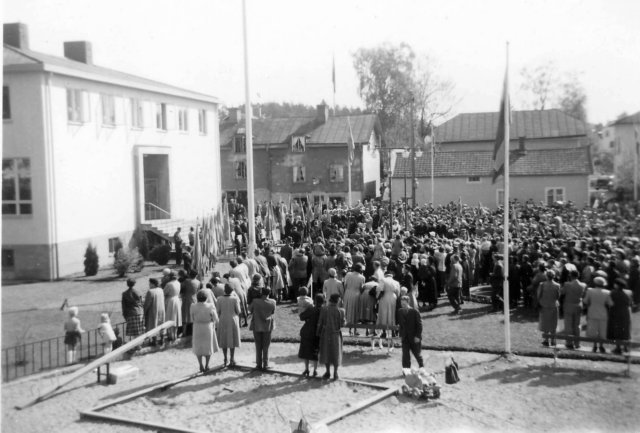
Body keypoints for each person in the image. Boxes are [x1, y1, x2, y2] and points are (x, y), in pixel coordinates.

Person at [317, 293, 346, 380]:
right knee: (336, 353)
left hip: (325, 333)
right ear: (337, 301)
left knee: (326, 352)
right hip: (336, 334)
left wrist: (317, 333)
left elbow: (320, 322)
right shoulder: (341, 311)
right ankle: (335, 373)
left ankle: (327, 372)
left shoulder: (324, 309)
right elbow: (342, 324)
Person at [190, 291, 219, 373]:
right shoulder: (210, 306)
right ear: (206, 298)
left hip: (197, 327)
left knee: (198, 346)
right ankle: (207, 365)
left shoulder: (193, 306)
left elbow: (192, 318)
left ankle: (201, 365)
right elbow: (216, 318)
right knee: (208, 346)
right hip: (207, 327)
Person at [583, 276, 614, 353]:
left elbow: (585, 301)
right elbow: (611, 303)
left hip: (592, 311)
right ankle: (601, 346)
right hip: (603, 313)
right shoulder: (607, 292)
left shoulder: (590, 291)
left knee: (593, 330)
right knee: (602, 331)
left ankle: (595, 346)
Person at [249, 286, 276, 370]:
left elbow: (250, 309)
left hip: (257, 325)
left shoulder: (255, 301)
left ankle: (258, 364)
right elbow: (272, 312)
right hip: (267, 325)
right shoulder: (273, 302)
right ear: (269, 293)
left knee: (258, 345)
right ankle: (265, 364)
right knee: (266, 346)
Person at [397, 295, 424, 372]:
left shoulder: (415, 312)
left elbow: (419, 325)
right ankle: (406, 370)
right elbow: (401, 325)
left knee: (417, 354)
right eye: (402, 304)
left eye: (404, 304)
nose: (403, 306)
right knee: (405, 355)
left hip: (414, 337)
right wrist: (401, 335)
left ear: (408, 303)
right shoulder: (400, 311)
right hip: (405, 337)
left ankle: (422, 368)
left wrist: (418, 336)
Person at [217, 284, 241, 367]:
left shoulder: (219, 299)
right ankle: (232, 358)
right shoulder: (234, 299)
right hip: (232, 318)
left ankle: (225, 358)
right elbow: (238, 311)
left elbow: (218, 311)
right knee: (232, 338)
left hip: (223, 319)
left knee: (224, 339)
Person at [299, 294, 324, 377]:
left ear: (315, 301)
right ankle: (315, 370)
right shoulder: (324, 310)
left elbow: (302, 317)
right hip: (317, 333)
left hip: (307, 332)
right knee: (315, 352)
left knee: (305, 351)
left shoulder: (311, 309)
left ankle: (306, 369)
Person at [560, 270, 585, 349]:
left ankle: (569, 342)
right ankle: (577, 343)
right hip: (578, 305)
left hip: (568, 306)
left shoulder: (567, 284)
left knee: (568, 325)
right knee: (577, 325)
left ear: (571, 276)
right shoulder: (583, 285)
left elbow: (562, 292)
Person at [608, 278, 633, 354]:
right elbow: (630, 303)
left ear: (617, 285)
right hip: (626, 313)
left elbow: (610, 303)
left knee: (617, 330)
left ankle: (618, 348)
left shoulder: (613, 293)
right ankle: (626, 347)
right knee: (625, 330)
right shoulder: (628, 293)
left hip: (616, 313)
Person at [537, 270, 560, 346]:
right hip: (554, 305)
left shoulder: (542, 284)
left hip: (544, 306)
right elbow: (558, 296)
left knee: (545, 323)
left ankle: (546, 340)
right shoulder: (557, 285)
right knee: (553, 323)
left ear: (546, 276)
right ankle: (553, 340)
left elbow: (538, 295)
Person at [343, 263, 364, 334]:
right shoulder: (362, 277)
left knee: (348, 310)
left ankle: (349, 328)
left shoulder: (348, 274)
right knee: (355, 311)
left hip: (348, 293)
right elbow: (361, 288)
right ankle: (355, 329)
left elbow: (345, 285)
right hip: (356, 294)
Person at [144, 278, 165, 346]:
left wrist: (145, 311)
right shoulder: (161, 290)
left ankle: (154, 340)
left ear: (152, 284)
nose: (149, 285)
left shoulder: (150, 292)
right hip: (161, 309)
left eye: (150, 284)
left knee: (153, 324)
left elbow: (147, 303)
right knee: (161, 323)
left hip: (153, 310)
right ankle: (162, 339)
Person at [163, 272, 182, 342]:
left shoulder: (169, 284)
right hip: (177, 299)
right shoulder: (178, 283)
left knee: (170, 317)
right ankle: (175, 334)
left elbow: (164, 292)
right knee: (176, 317)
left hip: (170, 300)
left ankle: (170, 335)